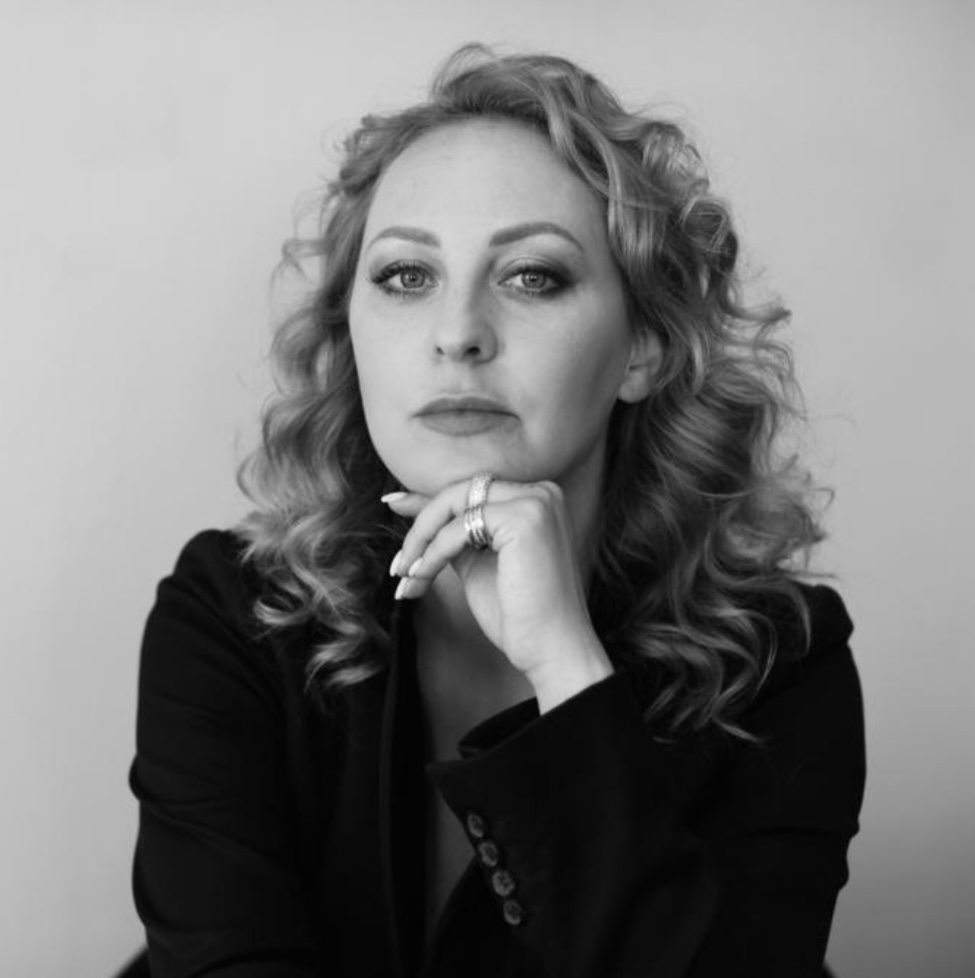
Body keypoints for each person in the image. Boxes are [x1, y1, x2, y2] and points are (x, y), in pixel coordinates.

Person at [128, 44, 865, 978]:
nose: (457, 334)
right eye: (406, 276)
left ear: (641, 347)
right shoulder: (234, 615)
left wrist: (566, 670)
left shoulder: (778, 664)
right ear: (351, 332)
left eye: (531, 276)